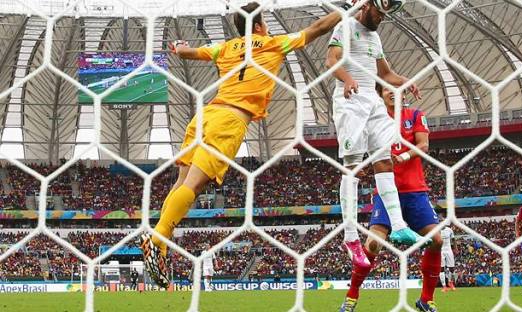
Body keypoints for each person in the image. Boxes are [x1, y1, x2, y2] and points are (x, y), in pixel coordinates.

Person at [140, 1, 343, 289]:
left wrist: (179, 48)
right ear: (259, 26)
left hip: (204, 115)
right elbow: (317, 28)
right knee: (195, 185)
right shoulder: (272, 43)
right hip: (229, 120)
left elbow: (191, 53)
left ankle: (158, 239)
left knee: (181, 181)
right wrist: (349, 9)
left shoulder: (225, 47)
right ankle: (158, 237)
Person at [326, 0, 427, 271]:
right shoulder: (345, 26)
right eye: (379, 12)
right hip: (350, 102)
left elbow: (386, 74)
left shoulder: (375, 36)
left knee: (384, 161)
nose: (381, 18)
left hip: (372, 101)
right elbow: (331, 61)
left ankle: (399, 226)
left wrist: (407, 81)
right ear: (367, 5)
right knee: (353, 169)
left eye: (385, 15)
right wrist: (347, 78)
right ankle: (350, 237)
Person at [338, 83, 441, 312]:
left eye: (398, 90)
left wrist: (404, 156)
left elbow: (423, 144)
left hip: (415, 191)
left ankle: (426, 299)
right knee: (373, 245)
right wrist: (359, 166)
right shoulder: (373, 119)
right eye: (387, 90)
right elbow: (358, 148)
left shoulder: (414, 115)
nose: (393, 94)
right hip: (386, 193)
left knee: (437, 241)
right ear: (380, 95)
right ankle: (351, 297)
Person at [440, 224, 456, 292]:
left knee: (452, 268)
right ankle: (444, 286)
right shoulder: (436, 230)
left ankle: (450, 282)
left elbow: (453, 239)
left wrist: (455, 248)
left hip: (449, 250)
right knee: (441, 269)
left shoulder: (449, 230)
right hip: (440, 250)